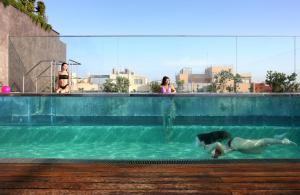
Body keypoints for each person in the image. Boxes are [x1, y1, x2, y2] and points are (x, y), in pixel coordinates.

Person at [204, 136, 297, 159]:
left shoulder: (225, 149)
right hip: (236, 142)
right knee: (261, 146)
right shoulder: (227, 149)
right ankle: (281, 140)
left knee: (263, 141)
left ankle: (283, 141)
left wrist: (209, 150)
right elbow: (217, 145)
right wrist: (208, 148)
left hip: (235, 143)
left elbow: (217, 144)